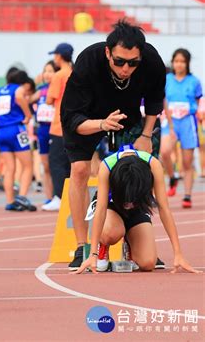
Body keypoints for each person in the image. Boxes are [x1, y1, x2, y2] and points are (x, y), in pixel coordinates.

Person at [60, 20, 166, 270]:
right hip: (86, 115)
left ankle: (135, 235)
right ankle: (81, 246)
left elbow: (154, 101)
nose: (126, 68)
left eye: (132, 63)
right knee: (80, 170)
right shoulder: (87, 63)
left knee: (141, 167)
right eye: (119, 61)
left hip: (128, 114)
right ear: (108, 53)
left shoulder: (151, 61)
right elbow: (71, 119)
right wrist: (100, 124)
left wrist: (147, 136)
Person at [75, 145, 200, 274]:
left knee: (148, 263)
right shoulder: (106, 166)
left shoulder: (154, 165)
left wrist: (178, 253)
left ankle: (129, 244)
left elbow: (164, 208)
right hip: (111, 206)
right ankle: (103, 246)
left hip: (138, 207)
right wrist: (93, 254)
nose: (128, 203)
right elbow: (100, 209)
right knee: (111, 233)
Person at [0, 70, 36, 211]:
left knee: (10, 168)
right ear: (23, 82)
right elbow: (19, 96)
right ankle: (22, 197)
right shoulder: (18, 89)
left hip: (1, 132)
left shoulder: (0, 91)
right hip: (17, 130)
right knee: (28, 165)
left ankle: (10, 201)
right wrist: (28, 114)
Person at [160, 48, 202, 208]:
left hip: (187, 122)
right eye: (176, 61)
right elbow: (162, 100)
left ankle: (187, 195)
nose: (179, 64)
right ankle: (172, 177)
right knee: (164, 152)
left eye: (182, 61)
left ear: (187, 63)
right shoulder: (167, 79)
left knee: (187, 161)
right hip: (170, 122)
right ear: (173, 62)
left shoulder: (194, 81)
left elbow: (199, 101)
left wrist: (193, 111)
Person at [43, 44, 74, 212]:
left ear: (59, 56)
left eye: (55, 55)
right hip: (74, 125)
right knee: (70, 163)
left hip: (59, 125)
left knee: (55, 162)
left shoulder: (59, 75)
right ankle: (69, 197)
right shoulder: (75, 72)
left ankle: (58, 196)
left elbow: (49, 100)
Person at [30, 61, 58, 207]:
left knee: (56, 165)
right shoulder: (41, 90)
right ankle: (49, 197)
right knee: (46, 166)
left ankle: (58, 195)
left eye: (50, 71)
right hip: (42, 130)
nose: (47, 74)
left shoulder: (59, 88)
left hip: (55, 130)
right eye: (45, 71)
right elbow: (27, 99)